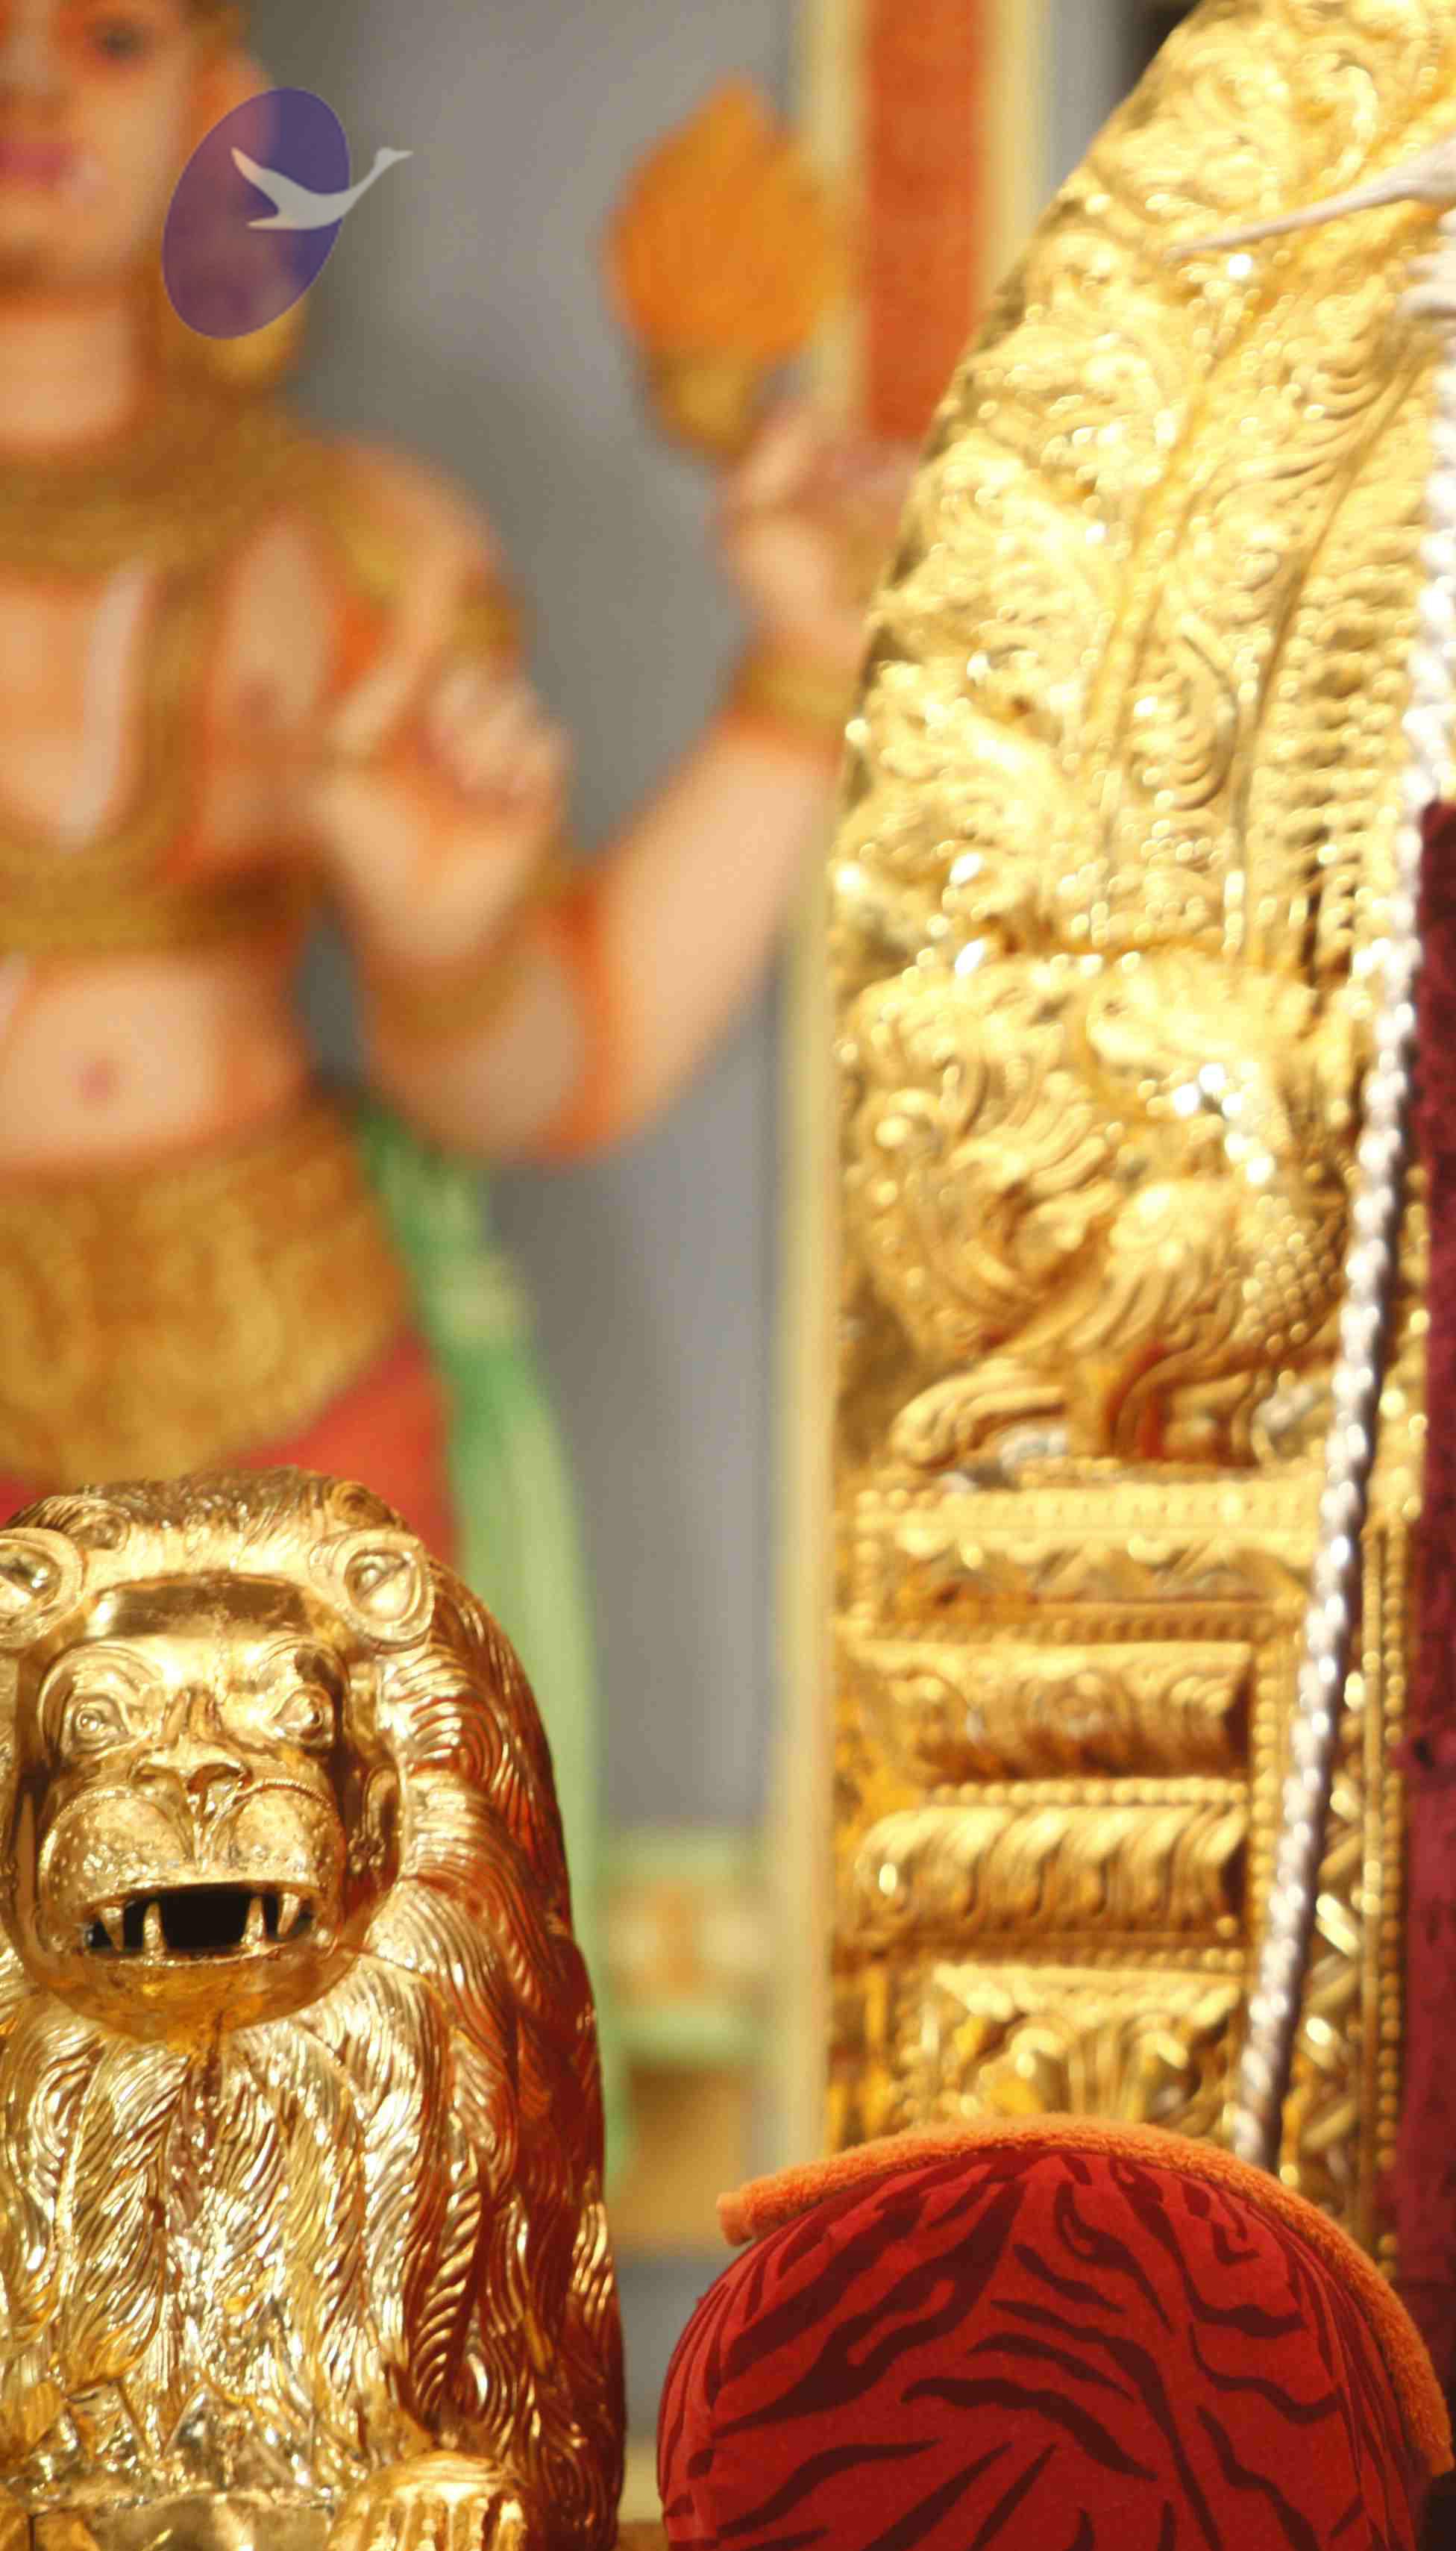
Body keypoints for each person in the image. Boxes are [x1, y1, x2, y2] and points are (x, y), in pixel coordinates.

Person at [0, 0, 900, 1553]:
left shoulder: (355, 547)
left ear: (220, 112)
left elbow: (564, 1059)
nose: (26, 86)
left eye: (111, 42)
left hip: (276, 1372)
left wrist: (449, 947)